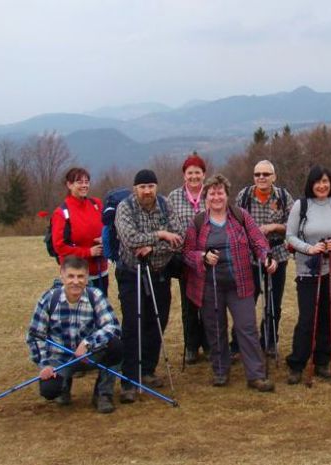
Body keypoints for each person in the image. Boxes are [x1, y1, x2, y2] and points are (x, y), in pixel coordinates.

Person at [183, 174, 277, 392]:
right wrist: (202, 257)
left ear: (227, 195)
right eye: (212, 193)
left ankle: (256, 374)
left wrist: (266, 257)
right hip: (210, 285)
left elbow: (258, 241)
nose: (216, 197)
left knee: (247, 328)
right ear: (206, 197)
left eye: (220, 192)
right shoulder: (197, 222)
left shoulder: (240, 216)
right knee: (215, 329)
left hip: (240, 283)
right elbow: (187, 253)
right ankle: (220, 370)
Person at [115, 169, 183, 403]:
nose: (147, 191)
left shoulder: (165, 205)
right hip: (131, 273)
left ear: (156, 187)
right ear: (135, 189)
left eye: (151, 186)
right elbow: (130, 239)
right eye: (142, 187)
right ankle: (129, 380)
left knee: (158, 321)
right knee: (133, 325)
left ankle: (148, 370)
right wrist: (161, 234)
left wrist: (154, 246)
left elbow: (179, 239)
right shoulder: (125, 207)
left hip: (159, 273)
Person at [26, 255, 123, 414]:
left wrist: (87, 343)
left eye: (80, 277)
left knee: (116, 346)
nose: (75, 281)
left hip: (88, 355)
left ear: (86, 278)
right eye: (71, 276)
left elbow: (112, 326)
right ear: (62, 275)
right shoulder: (49, 299)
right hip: (59, 359)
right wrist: (45, 364)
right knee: (49, 390)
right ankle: (63, 387)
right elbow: (35, 336)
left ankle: (103, 393)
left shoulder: (95, 296)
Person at [285, 165, 331, 384]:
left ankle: (322, 360)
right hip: (308, 270)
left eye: (325, 181)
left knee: (328, 316)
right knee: (307, 318)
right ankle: (297, 363)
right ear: (310, 184)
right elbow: (290, 236)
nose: (322, 186)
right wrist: (309, 249)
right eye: (317, 182)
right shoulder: (301, 206)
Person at [232, 160, 294, 357]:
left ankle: (269, 342)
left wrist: (274, 227)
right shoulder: (244, 196)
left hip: (277, 255)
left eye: (266, 174)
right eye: (257, 174)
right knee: (246, 302)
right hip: (249, 258)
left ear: (274, 177)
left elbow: (294, 224)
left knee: (274, 301)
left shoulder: (283, 196)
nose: (261, 178)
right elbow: (233, 224)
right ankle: (237, 344)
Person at [168, 152, 210, 365]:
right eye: (190, 173)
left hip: (209, 257)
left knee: (209, 302)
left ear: (204, 174)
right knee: (189, 304)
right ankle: (191, 345)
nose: (194, 176)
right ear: (184, 175)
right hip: (185, 257)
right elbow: (169, 223)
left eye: (197, 172)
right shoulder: (174, 197)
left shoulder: (211, 194)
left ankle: (210, 344)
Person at [51, 167, 109, 293]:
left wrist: (105, 240)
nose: (84, 185)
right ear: (69, 185)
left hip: (100, 272)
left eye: (86, 182)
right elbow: (59, 247)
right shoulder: (61, 213)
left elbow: (107, 228)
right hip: (76, 276)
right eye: (79, 182)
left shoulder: (97, 204)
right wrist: (88, 252)